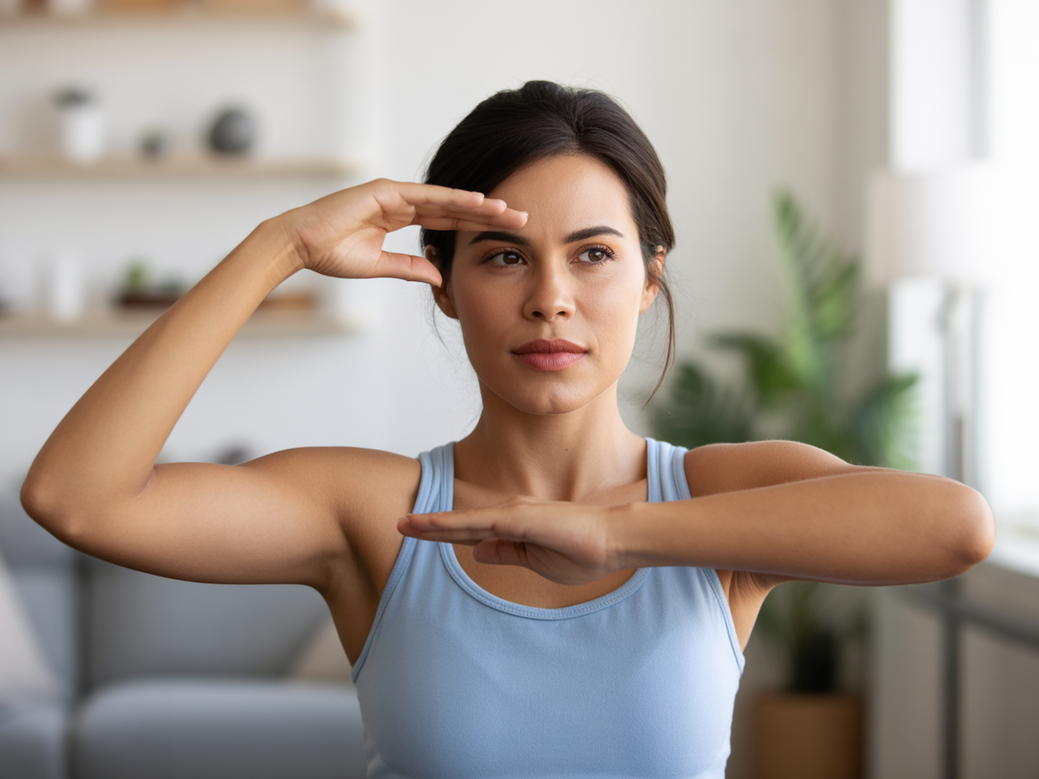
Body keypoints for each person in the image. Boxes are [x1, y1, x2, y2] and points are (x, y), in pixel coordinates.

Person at [21, 81, 994, 778]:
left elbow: (954, 526)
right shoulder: (375, 513)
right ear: (442, 283)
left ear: (649, 280)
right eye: (501, 255)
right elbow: (75, 496)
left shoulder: (719, 496)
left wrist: (618, 533)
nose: (551, 300)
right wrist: (280, 245)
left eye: (593, 254)